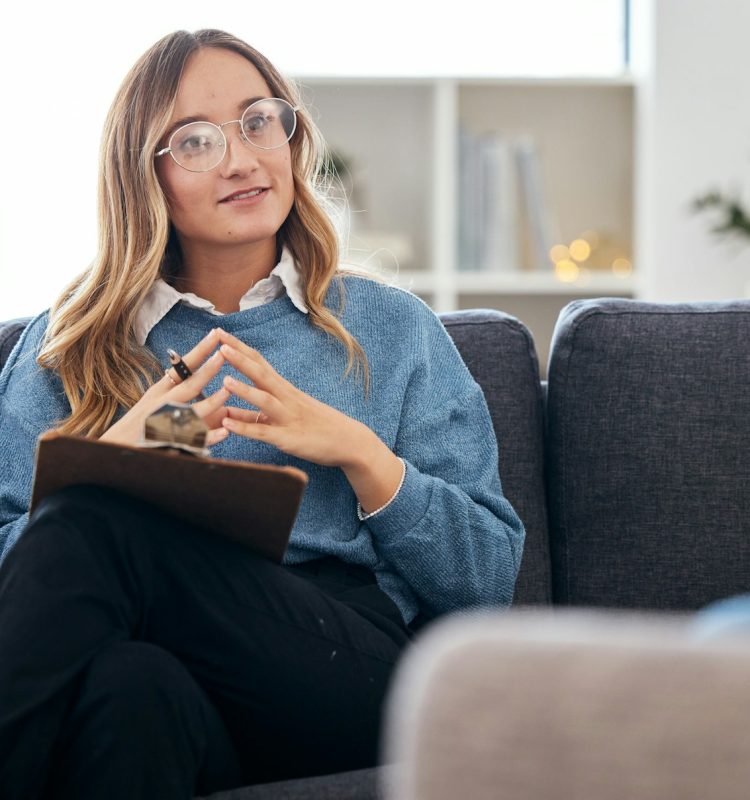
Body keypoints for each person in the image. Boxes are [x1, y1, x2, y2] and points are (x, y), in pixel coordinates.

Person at [0, 28, 525, 800]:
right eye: (196, 141)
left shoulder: (392, 327)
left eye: (258, 122)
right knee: (128, 689)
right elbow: (22, 572)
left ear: (290, 138)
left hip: (343, 667)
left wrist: (359, 453)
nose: (242, 159)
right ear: (142, 177)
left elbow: (486, 579)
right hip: (170, 676)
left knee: (89, 517)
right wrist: (128, 449)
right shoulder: (69, 345)